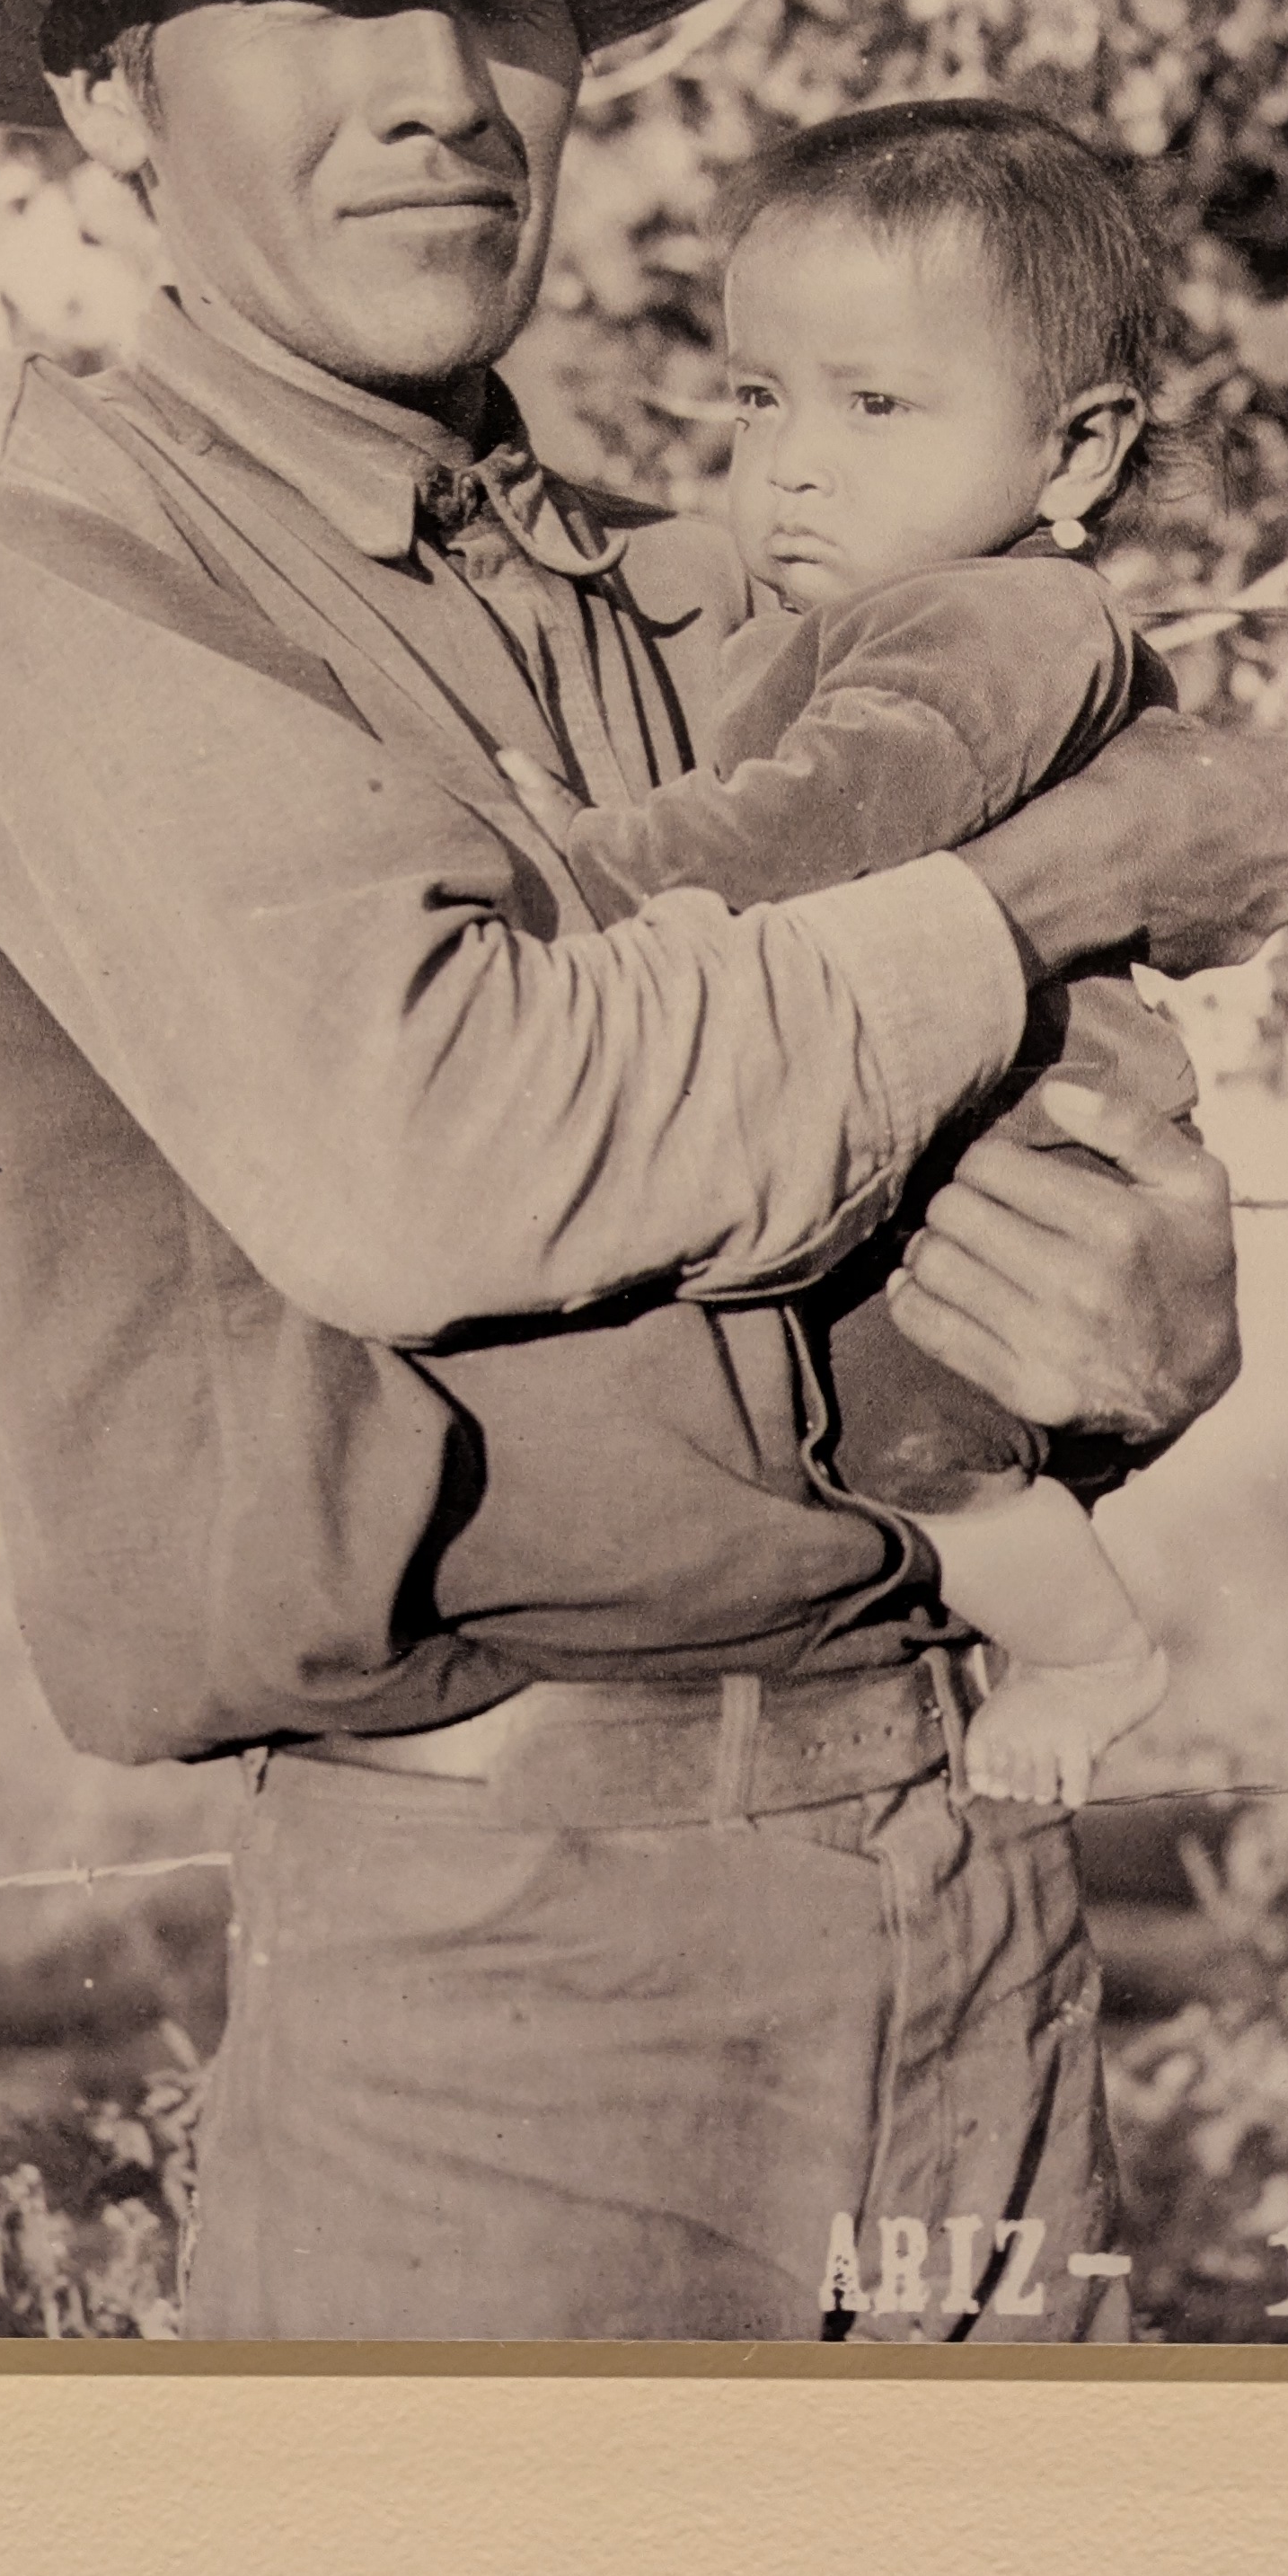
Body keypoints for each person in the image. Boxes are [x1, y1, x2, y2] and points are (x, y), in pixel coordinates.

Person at [0, 0, 1288, 2341]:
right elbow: (435, 1151)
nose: (442, 87)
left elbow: (952, 1173)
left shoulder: (701, 587)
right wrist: (1058, 883)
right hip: (508, 1983)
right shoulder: (21, 525)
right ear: (102, 75)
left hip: (963, 1877)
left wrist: (1159, 1314)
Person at [497, 98, 1196, 1812]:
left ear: (1076, 455)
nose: (795, 462)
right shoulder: (863, 618)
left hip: (1004, 1148)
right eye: (761, 399)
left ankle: (1092, 1649)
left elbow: (823, 824)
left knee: (910, 1430)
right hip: (925, 1110)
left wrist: (579, 865)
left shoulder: (1000, 621)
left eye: (875, 406)